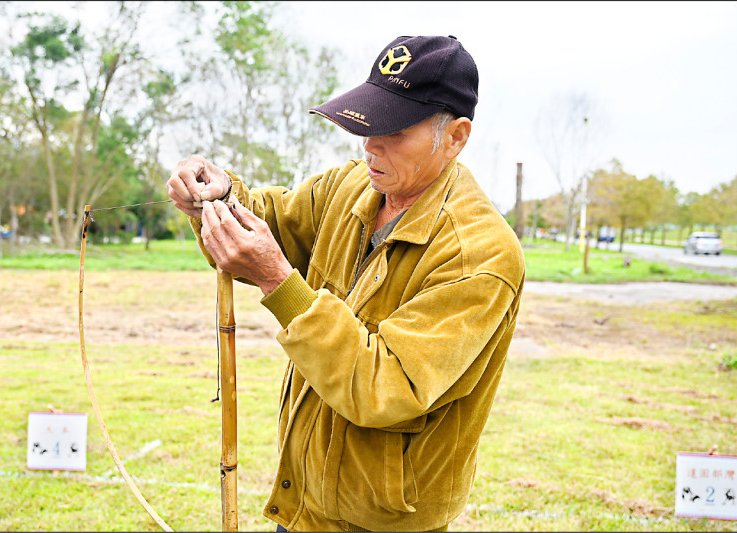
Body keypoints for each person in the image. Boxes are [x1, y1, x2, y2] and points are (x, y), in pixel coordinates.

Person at [167, 35, 524, 532]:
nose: (371, 144)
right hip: (304, 504)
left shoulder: (479, 254)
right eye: (370, 122)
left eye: (395, 130)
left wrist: (278, 281)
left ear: (457, 136)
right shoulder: (354, 185)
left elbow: (386, 386)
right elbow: (274, 221)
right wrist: (220, 194)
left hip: (380, 521)